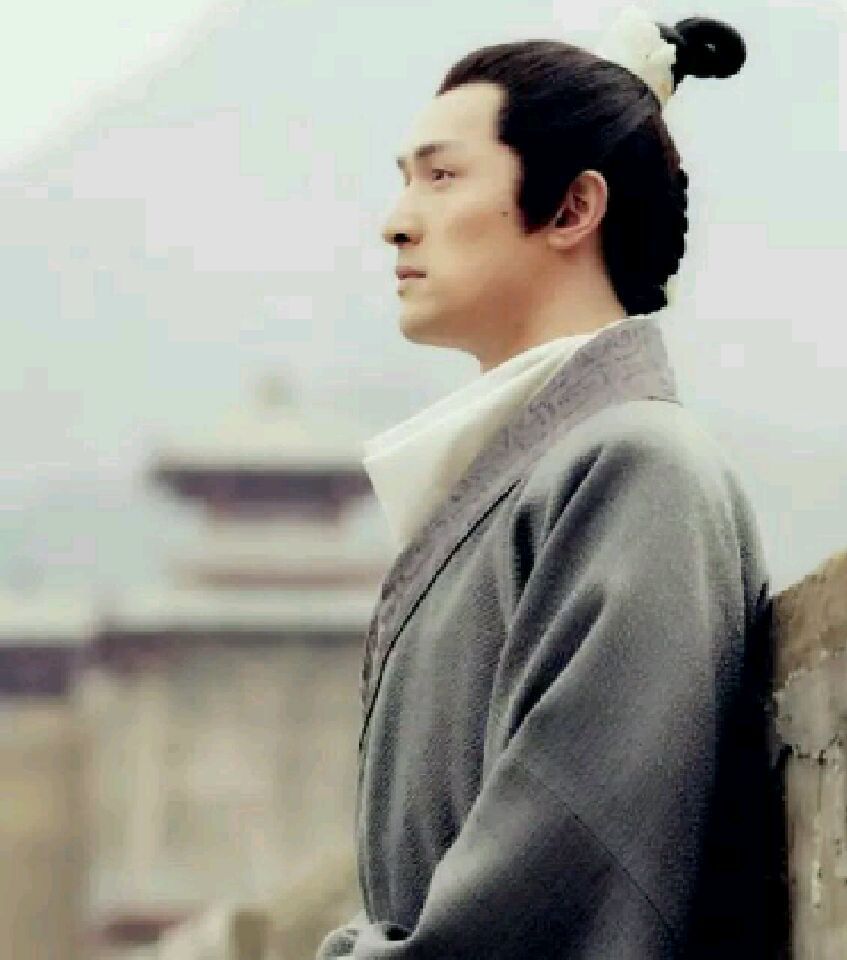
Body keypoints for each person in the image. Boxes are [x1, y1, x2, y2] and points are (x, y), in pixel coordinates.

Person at [318, 8, 783, 958]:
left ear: (573, 209)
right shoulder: (540, 476)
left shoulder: (638, 470)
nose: (395, 221)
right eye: (405, 180)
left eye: (442, 176)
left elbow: (561, 885)